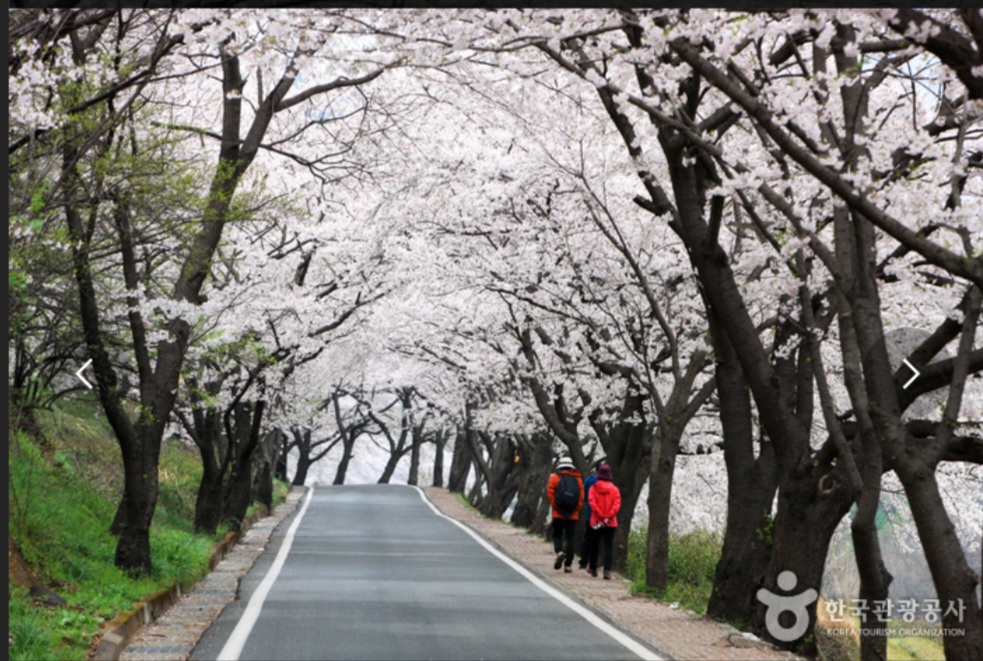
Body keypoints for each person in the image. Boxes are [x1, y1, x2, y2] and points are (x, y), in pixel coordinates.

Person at [546, 456, 583, 573]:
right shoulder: (578, 480)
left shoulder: (555, 478)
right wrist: (575, 509)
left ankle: (560, 552)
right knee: (571, 538)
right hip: (573, 515)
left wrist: (556, 506)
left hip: (558, 513)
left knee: (557, 535)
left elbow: (550, 493)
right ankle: (568, 565)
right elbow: (581, 497)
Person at [587, 463, 621, 579]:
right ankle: (607, 570)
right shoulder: (615, 489)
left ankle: (593, 568)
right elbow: (616, 505)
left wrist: (601, 516)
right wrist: (608, 517)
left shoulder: (593, 488)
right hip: (611, 523)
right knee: (608, 547)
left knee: (594, 545)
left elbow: (592, 503)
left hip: (596, 521)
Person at [578, 460, 602, 570]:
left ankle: (583, 561)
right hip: (601, 516)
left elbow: (584, 495)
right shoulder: (605, 483)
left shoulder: (588, 481)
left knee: (587, 538)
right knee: (597, 540)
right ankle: (594, 563)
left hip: (589, 514)